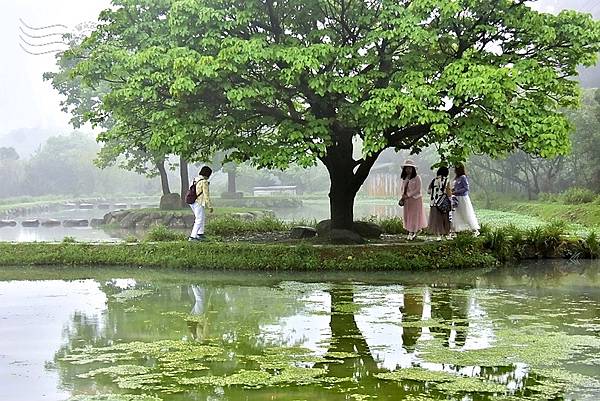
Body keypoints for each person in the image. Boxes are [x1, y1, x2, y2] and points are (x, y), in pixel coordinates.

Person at [399, 159, 427, 240]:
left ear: (413, 169)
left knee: (414, 216)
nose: (408, 170)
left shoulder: (417, 178)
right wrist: (403, 196)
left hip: (415, 199)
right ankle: (410, 231)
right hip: (407, 200)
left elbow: (418, 189)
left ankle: (413, 231)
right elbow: (402, 188)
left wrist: (408, 195)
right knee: (407, 215)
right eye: (407, 168)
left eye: (410, 168)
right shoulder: (405, 178)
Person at [451, 164, 480, 236]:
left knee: (466, 213)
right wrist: (452, 190)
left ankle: (475, 230)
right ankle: (455, 231)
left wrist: (455, 192)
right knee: (456, 214)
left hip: (462, 198)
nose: (454, 170)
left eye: (455, 168)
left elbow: (466, 188)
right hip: (456, 198)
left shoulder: (463, 177)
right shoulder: (456, 178)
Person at [189, 166, 213, 241]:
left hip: (192, 201)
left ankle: (200, 234)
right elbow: (206, 195)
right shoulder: (204, 182)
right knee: (199, 219)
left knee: (201, 217)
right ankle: (192, 237)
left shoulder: (195, 179)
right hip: (198, 202)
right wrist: (210, 206)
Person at [427, 166, 452, 240]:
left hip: (434, 203)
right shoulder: (446, 180)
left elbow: (428, 191)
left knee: (436, 220)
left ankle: (438, 235)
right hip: (443, 203)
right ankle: (446, 234)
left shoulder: (434, 180)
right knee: (445, 219)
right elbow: (448, 192)